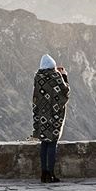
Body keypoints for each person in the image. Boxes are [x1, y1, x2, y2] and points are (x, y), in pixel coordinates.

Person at [32, 54, 70, 183]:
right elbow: (65, 92)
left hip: (42, 116)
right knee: (52, 143)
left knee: (44, 143)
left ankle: (44, 174)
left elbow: (37, 95)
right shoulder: (56, 76)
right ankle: (52, 174)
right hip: (54, 116)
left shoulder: (37, 77)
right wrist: (64, 75)